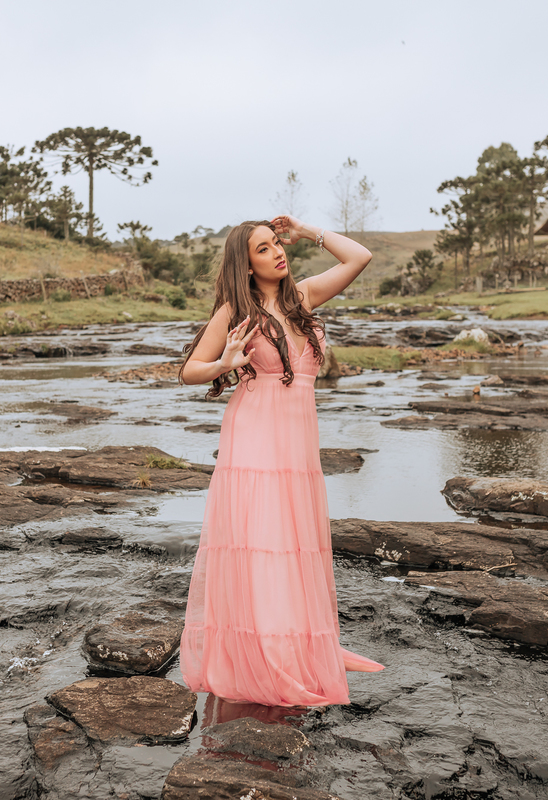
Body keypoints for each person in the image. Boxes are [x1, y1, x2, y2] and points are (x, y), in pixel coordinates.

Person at [178, 215, 384, 708]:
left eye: (276, 244)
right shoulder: (236, 310)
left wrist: (308, 230)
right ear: (246, 265)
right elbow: (190, 371)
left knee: (293, 542)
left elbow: (359, 257)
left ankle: (299, 642)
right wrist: (226, 363)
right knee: (262, 541)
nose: (276, 253)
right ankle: (265, 653)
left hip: (296, 441)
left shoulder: (304, 297)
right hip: (254, 434)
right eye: (264, 248)